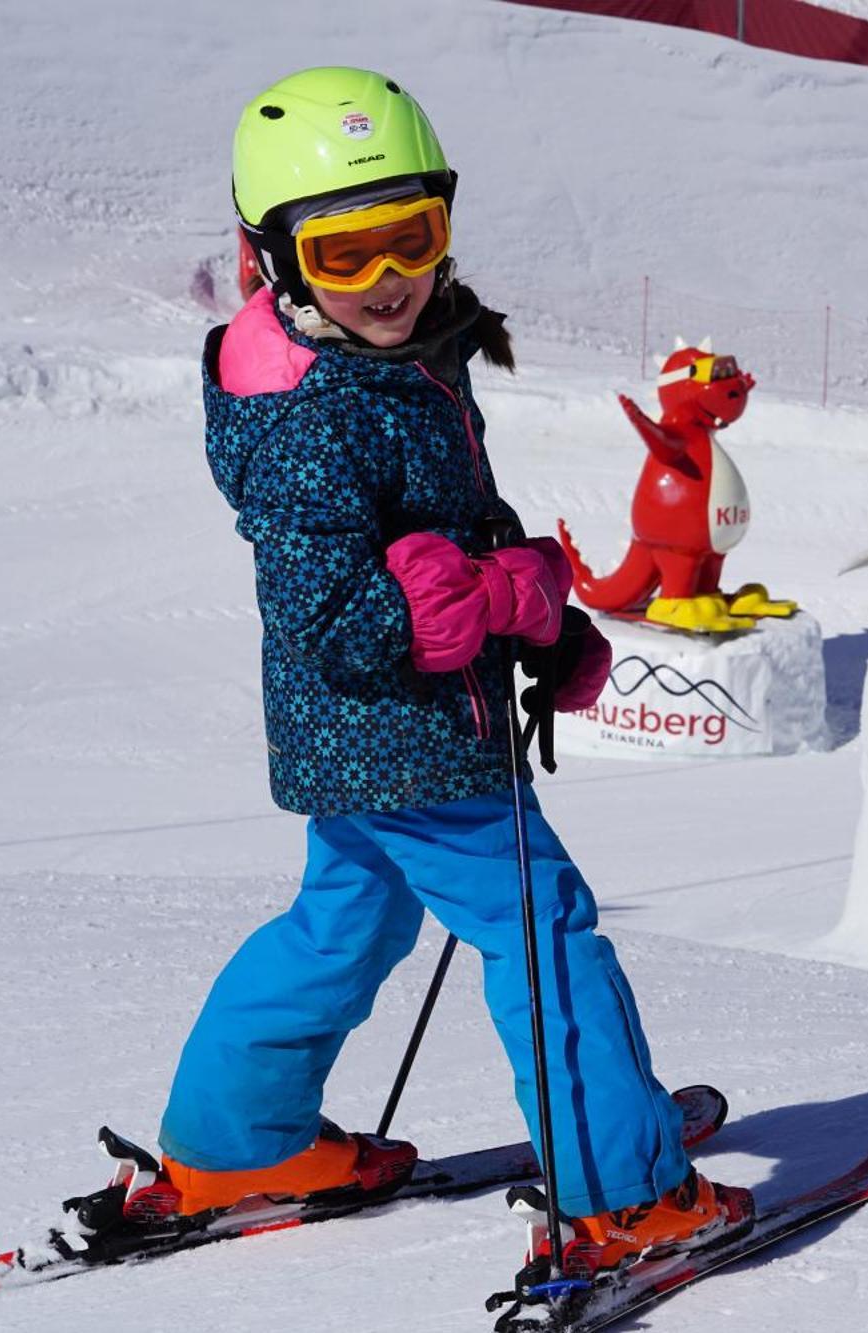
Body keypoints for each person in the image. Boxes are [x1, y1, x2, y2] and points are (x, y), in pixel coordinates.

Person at [149, 66, 752, 1282]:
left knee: (345, 923)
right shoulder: (317, 408)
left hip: (372, 734)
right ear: (269, 257)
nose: (386, 282)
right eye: (344, 255)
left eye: (410, 240)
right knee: (542, 927)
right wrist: (480, 600)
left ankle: (236, 1140)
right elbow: (329, 612)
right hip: (404, 729)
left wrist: (540, 620)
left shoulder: (408, 354)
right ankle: (621, 1188)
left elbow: (452, 518)